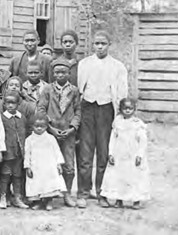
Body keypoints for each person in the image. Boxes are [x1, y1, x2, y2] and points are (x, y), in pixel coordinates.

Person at [76, 30, 128, 208]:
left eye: (103, 44)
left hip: (106, 110)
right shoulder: (84, 64)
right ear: (93, 45)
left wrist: (120, 115)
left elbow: (122, 93)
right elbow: (78, 89)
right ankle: (83, 191)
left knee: (104, 153)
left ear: (109, 45)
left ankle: (102, 192)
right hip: (87, 108)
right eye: (97, 43)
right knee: (85, 152)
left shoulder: (117, 66)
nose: (100, 47)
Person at [38, 60, 81, 208]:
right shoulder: (47, 89)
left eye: (63, 72)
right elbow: (41, 109)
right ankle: (48, 194)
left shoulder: (74, 90)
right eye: (57, 72)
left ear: (69, 73)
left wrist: (73, 128)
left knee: (68, 164)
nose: (60, 75)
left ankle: (67, 193)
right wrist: (49, 127)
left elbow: (78, 111)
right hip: (51, 132)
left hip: (68, 132)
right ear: (53, 74)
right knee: (49, 163)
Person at [100, 98, 149, 209]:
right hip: (119, 154)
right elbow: (113, 138)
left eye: (130, 109)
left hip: (132, 154)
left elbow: (143, 141)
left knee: (134, 176)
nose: (127, 111)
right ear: (120, 109)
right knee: (119, 176)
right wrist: (111, 153)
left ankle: (136, 200)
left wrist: (140, 155)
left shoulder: (138, 124)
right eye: (125, 108)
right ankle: (119, 199)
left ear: (134, 109)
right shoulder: (117, 122)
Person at [24, 115, 66, 211]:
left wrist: (58, 163)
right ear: (32, 126)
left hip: (49, 166)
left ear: (46, 126)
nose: (39, 128)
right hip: (36, 166)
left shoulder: (51, 138)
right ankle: (38, 202)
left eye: (42, 126)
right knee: (36, 184)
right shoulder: (29, 140)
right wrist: (27, 167)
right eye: (36, 126)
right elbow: (27, 154)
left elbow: (57, 151)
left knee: (49, 184)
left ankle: (49, 201)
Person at [0, 91, 30, 209]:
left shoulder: (22, 117)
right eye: (8, 103)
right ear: (4, 104)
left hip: (19, 152)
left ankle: (17, 197)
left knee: (17, 175)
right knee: (5, 174)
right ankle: (3, 196)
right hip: (7, 152)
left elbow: (25, 133)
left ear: (18, 104)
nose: (10, 105)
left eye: (13, 103)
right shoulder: (2, 117)